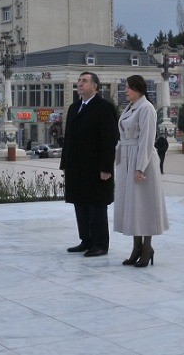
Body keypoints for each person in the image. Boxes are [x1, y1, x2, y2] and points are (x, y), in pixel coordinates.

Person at [59, 71, 118, 257]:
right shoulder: (74, 107)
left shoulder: (104, 108)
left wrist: (106, 168)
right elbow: (68, 138)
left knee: (96, 206)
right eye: (79, 80)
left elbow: (109, 140)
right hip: (76, 167)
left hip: (96, 167)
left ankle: (100, 244)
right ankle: (86, 240)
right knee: (80, 203)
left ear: (95, 86)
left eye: (84, 81)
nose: (80, 83)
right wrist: (65, 164)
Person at [112, 75, 168, 268]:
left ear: (138, 88)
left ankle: (147, 247)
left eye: (128, 87)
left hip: (140, 160)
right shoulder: (130, 108)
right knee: (132, 205)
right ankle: (136, 247)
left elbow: (146, 140)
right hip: (127, 158)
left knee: (145, 205)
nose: (125, 90)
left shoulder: (146, 108)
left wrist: (139, 167)